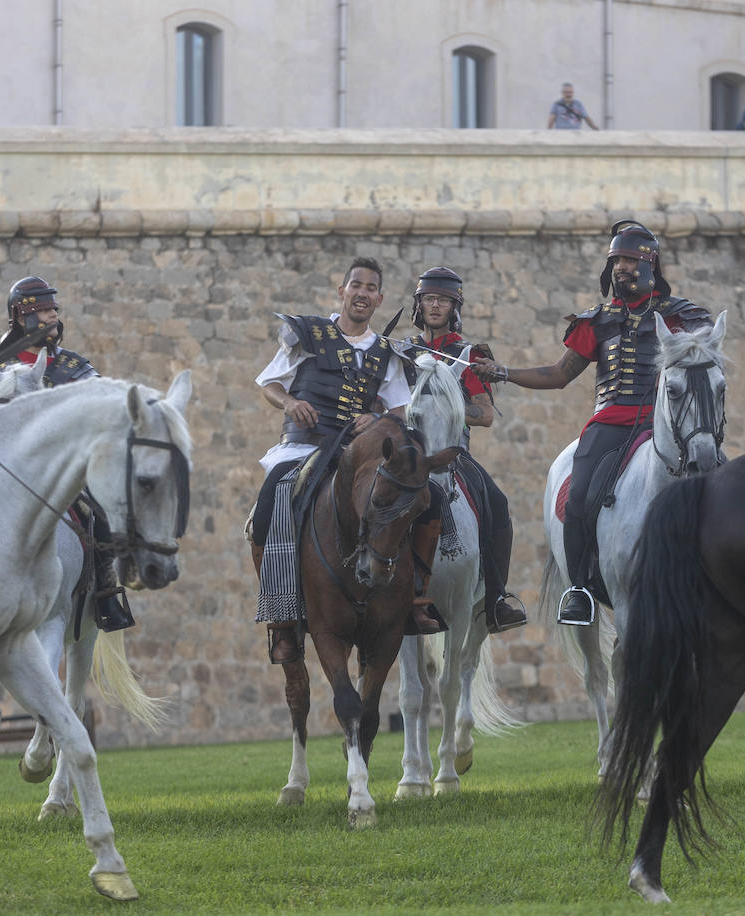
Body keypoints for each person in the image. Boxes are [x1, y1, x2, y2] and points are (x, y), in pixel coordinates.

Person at [472, 221, 711, 624]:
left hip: (665, 421)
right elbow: (558, 375)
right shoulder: (597, 321)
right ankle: (580, 586)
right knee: (579, 494)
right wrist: (504, 372)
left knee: (716, 475)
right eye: (616, 260)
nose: (622, 268)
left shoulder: (681, 316)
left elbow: (703, 364)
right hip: (611, 421)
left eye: (631, 260)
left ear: (651, 263)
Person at [249, 257, 415, 664]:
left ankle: (414, 598)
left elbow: (401, 410)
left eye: (370, 288)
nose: (362, 293)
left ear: (379, 298)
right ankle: (282, 620)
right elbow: (269, 384)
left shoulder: (387, 352)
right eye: (355, 285)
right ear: (342, 292)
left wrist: (377, 418)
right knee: (273, 500)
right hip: (304, 446)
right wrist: (291, 403)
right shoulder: (308, 334)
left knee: (408, 498)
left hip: (355, 454)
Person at [0, 276, 134, 632]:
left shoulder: (75, 367)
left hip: (61, 471)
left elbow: (104, 411)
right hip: (7, 471)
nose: (51, 317)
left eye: (53, 309)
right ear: (19, 316)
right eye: (42, 311)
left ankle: (105, 594)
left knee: (95, 512)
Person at [398, 267, 528, 633]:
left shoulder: (469, 355)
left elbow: (485, 415)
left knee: (498, 503)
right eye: (428, 299)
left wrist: (450, 410)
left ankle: (496, 598)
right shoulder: (402, 352)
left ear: (454, 306)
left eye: (442, 300)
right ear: (419, 305)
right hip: (410, 454)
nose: (434, 305)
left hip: (455, 452)